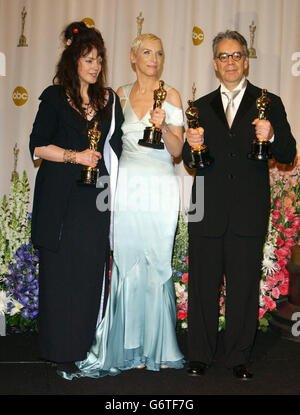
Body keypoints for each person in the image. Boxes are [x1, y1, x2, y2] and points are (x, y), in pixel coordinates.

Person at [58, 33, 185, 379]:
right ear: (132, 58)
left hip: (159, 187)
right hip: (126, 187)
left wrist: (165, 128)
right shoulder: (117, 97)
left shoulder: (170, 94)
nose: (153, 58)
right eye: (146, 52)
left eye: (159, 53)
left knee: (156, 263)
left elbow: (177, 150)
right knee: (127, 263)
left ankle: (157, 348)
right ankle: (124, 347)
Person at [182, 30, 296, 380]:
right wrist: (192, 143)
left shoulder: (270, 102)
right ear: (215, 64)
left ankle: (238, 356)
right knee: (202, 284)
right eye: (222, 56)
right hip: (207, 210)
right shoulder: (199, 106)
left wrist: (272, 136)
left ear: (246, 60)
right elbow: (190, 160)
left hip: (248, 210)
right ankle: (199, 354)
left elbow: (288, 153)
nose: (229, 62)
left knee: (244, 287)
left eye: (235, 55)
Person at [29, 21, 123, 372]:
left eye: (99, 59)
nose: (95, 65)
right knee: (59, 275)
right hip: (60, 198)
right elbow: (37, 147)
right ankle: (60, 352)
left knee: (88, 273)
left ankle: (85, 349)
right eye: (88, 59)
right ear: (73, 61)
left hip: (94, 200)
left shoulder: (109, 101)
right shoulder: (53, 97)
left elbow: (119, 149)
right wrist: (76, 155)